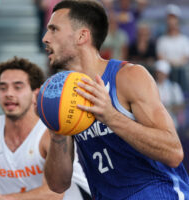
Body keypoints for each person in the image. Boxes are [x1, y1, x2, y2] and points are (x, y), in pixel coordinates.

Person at [42, 1, 189, 199]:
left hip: (156, 193)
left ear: (82, 36)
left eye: (54, 30)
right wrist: (57, 133)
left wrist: (111, 117)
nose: (45, 38)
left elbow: (173, 152)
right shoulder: (64, 97)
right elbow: (58, 185)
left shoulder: (128, 77)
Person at [0, 57, 91, 200]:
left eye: (18, 87)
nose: (9, 93)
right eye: (3, 88)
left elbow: (53, 194)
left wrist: (1, 198)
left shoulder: (52, 132)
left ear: (36, 94)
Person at [154, 59, 185, 129]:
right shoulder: (152, 86)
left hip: (172, 122)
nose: (160, 75)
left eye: (162, 73)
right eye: (158, 72)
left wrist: (169, 108)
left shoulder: (174, 87)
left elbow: (180, 105)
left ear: (167, 74)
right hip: (156, 122)